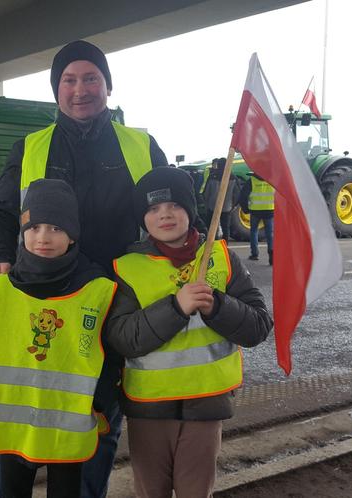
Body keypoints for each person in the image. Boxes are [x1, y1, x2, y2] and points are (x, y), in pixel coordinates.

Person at [0, 40, 168, 498]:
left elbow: (172, 208)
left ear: (107, 85)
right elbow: (1, 213)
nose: (80, 90)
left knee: (93, 426)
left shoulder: (140, 145)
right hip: (37, 302)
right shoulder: (32, 147)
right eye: (69, 80)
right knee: (15, 434)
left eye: (90, 78)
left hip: (110, 307)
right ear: (56, 90)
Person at [105, 167, 272, 498]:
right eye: (152, 209)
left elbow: (258, 327)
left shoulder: (223, 259)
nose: (164, 214)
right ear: (143, 218)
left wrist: (218, 306)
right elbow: (122, 337)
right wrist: (175, 308)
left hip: (205, 409)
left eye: (174, 206)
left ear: (190, 210)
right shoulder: (126, 267)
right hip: (149, 410)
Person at [0, 179, 117, 498]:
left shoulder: (96, 289)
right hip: (13, 427)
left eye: (55, 228)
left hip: (69, 429)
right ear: (22, 233)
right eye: (33, 228)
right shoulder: (2, 289)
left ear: (72, 234)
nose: (43, 238)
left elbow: (112, 354)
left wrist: (100, 403)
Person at [239, 172, 274, 265]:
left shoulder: (252, 181)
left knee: (254, 232)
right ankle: (272, 257)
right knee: (270, 234)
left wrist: (245, 209)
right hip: (269, 210)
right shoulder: (272, 180)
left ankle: (255, 254)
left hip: (255, 211)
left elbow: (243, 196)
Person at [200, 157, 237, 241]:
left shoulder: (213, 176)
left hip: (212, 206)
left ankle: (213, 244)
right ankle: (225, 245)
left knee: (211, 227)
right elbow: (237, 193)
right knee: (225, 228)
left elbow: (206, 192)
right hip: (227, 207)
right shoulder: (232, 177)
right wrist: (233, 205)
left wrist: (207, 204)